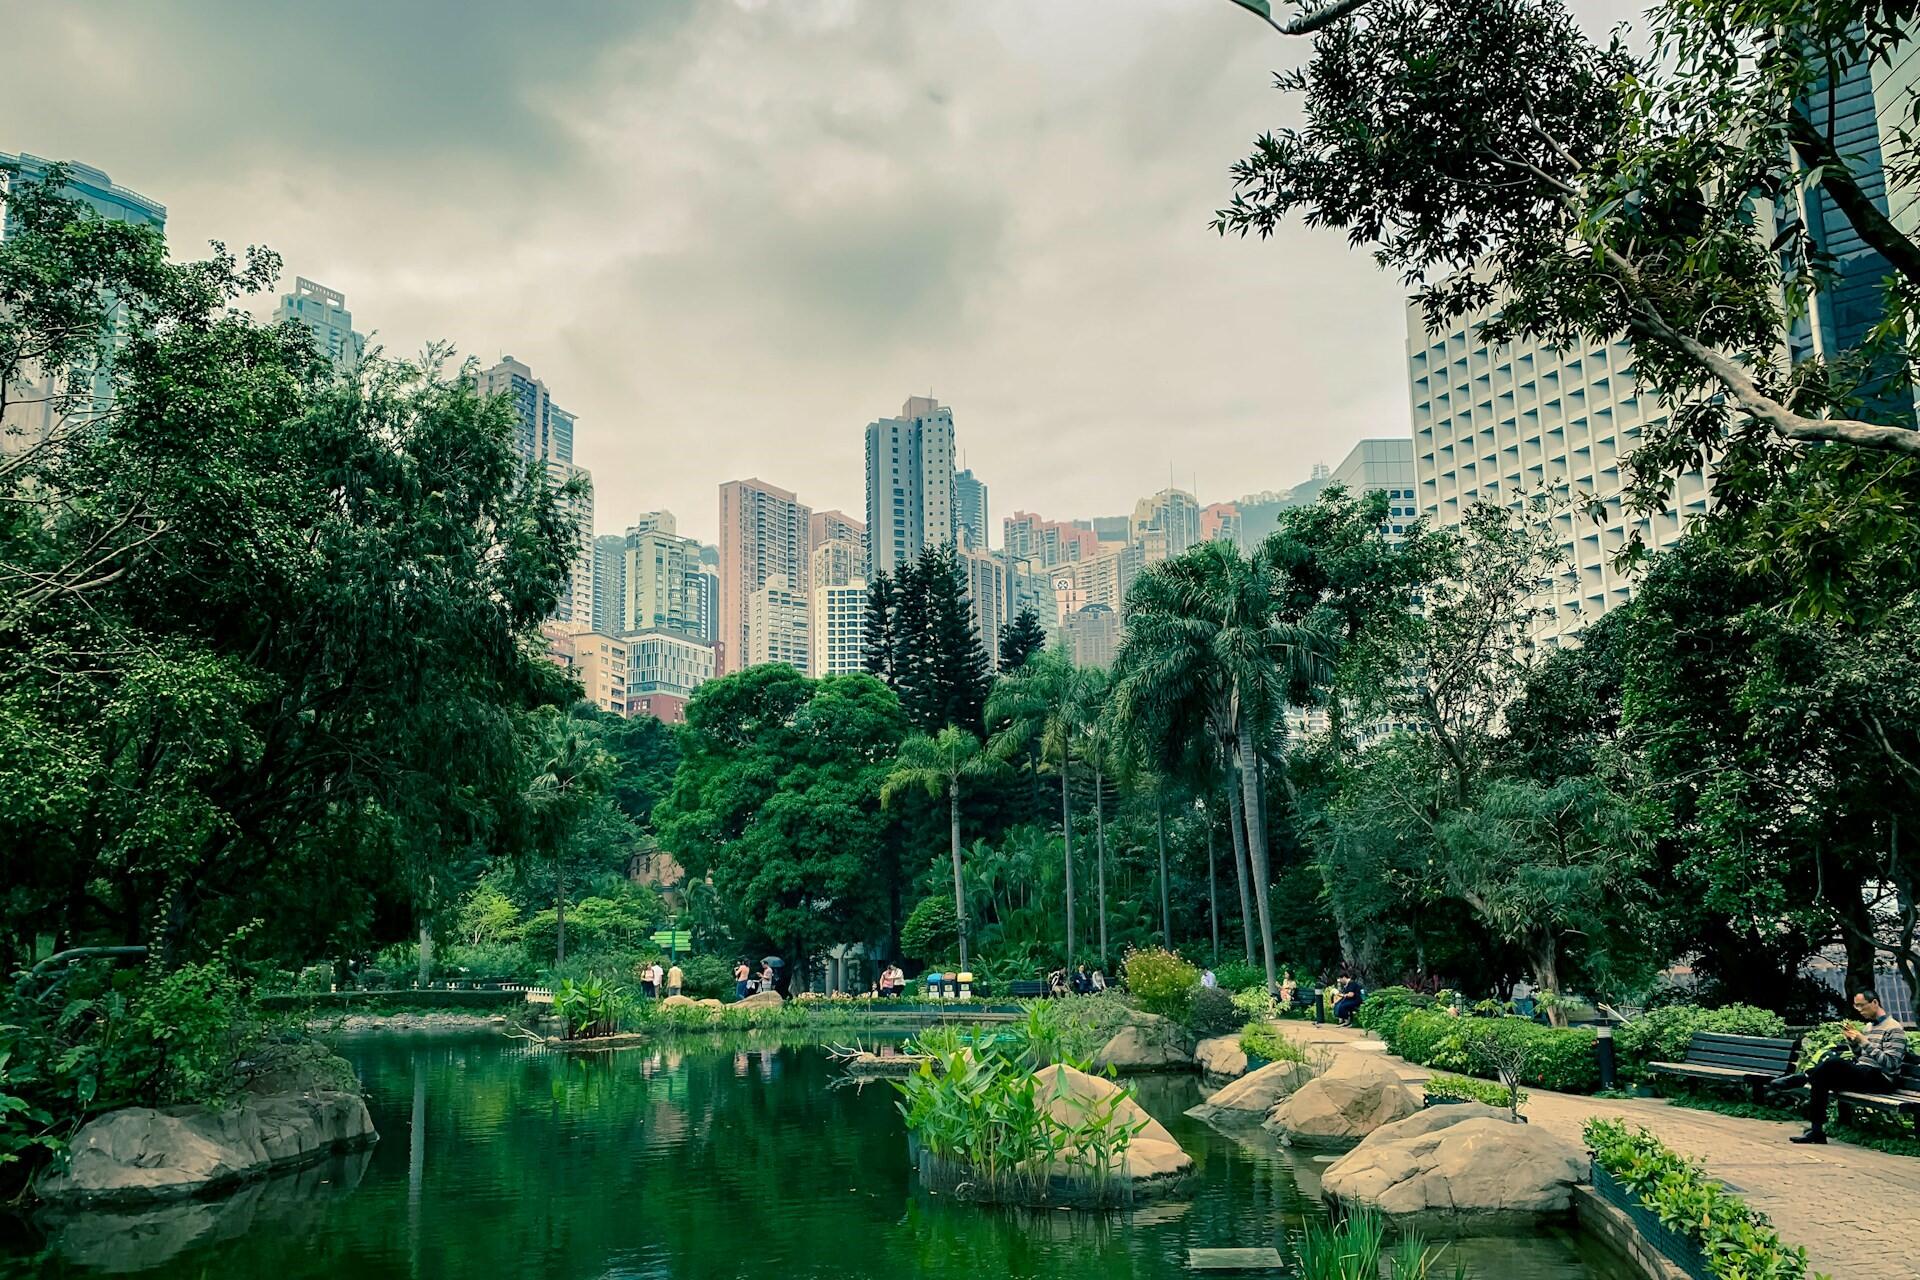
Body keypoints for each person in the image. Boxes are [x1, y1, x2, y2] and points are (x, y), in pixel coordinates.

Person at [1769, 989, 1908, 1144]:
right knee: (1821, 1079)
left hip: (1882, 1079)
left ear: (1874, 1002)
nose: (1860, 1010)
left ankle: (1803, 1077)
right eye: (1856, 1006)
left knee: (1833, 1063)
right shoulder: (1869, 1027)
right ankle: (1817, 1131)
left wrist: (1864, 1042)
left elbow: (1891, 1064)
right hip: (1865, 1073)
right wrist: (1853, 1043)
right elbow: (1862, 1057)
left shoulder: (1894, 1028)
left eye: (1862, 1006)